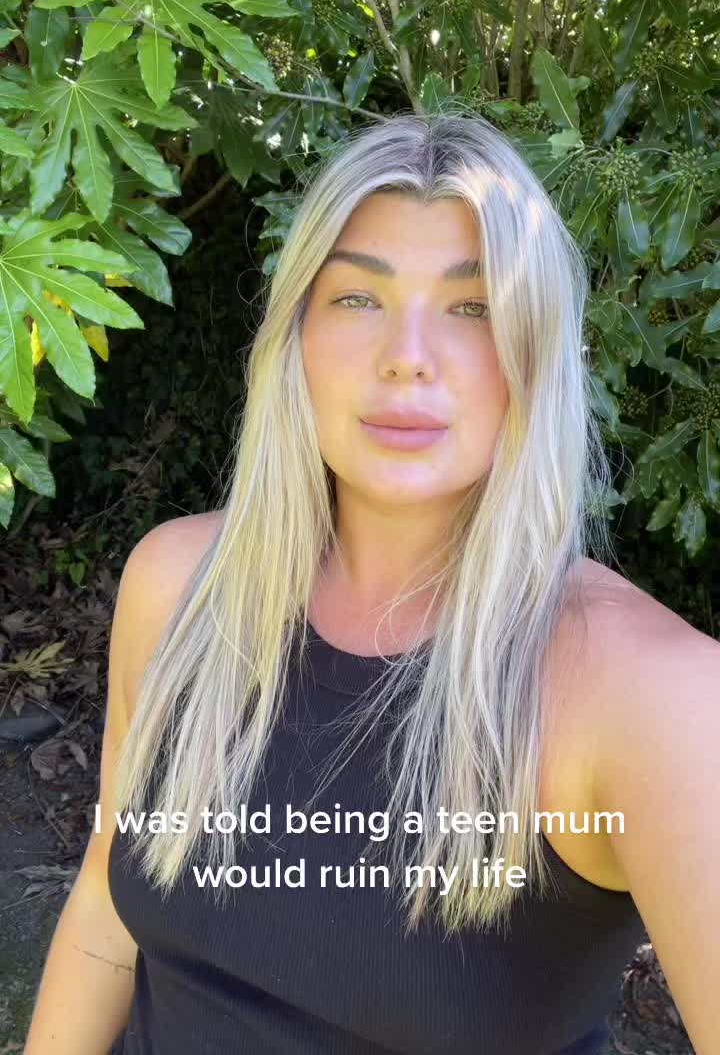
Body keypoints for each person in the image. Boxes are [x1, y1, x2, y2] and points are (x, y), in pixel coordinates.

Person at [23, 113, 720, 1055]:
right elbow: (110, 901)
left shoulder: (652, 698)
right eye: (358, 297)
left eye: (474, 307)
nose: (408, 354)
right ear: (296, 337)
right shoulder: (177, 585)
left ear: (538, 351)